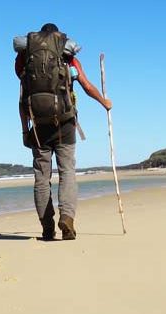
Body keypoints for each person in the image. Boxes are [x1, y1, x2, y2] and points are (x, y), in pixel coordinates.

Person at [13, 23, 112, 240]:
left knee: (41, 177)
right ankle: (67, 218)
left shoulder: (25, 59)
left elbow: (23, 99)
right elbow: (85, 85)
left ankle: (47, 227)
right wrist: (104, 102)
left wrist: (24, 131)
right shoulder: (66, 56)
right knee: (67, 171)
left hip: (38, 126)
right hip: (65, 123)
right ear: (58, 39)